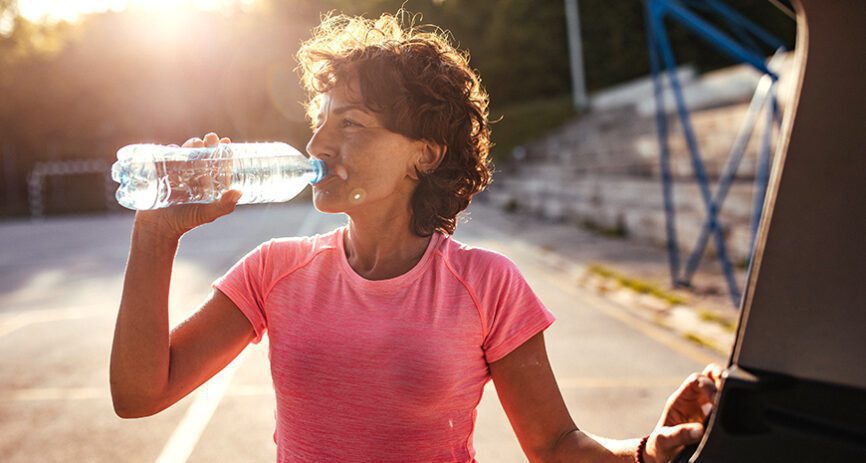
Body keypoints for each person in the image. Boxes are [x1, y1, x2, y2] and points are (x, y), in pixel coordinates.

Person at [110, 12, 722, 463]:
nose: (320, 145)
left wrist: (646, 452)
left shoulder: (487, 284)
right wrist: (155, 235)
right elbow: (140, 393)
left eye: (351, 124)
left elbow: (558, 446)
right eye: (320, 123)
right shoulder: (273, 271)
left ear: (423, 155)